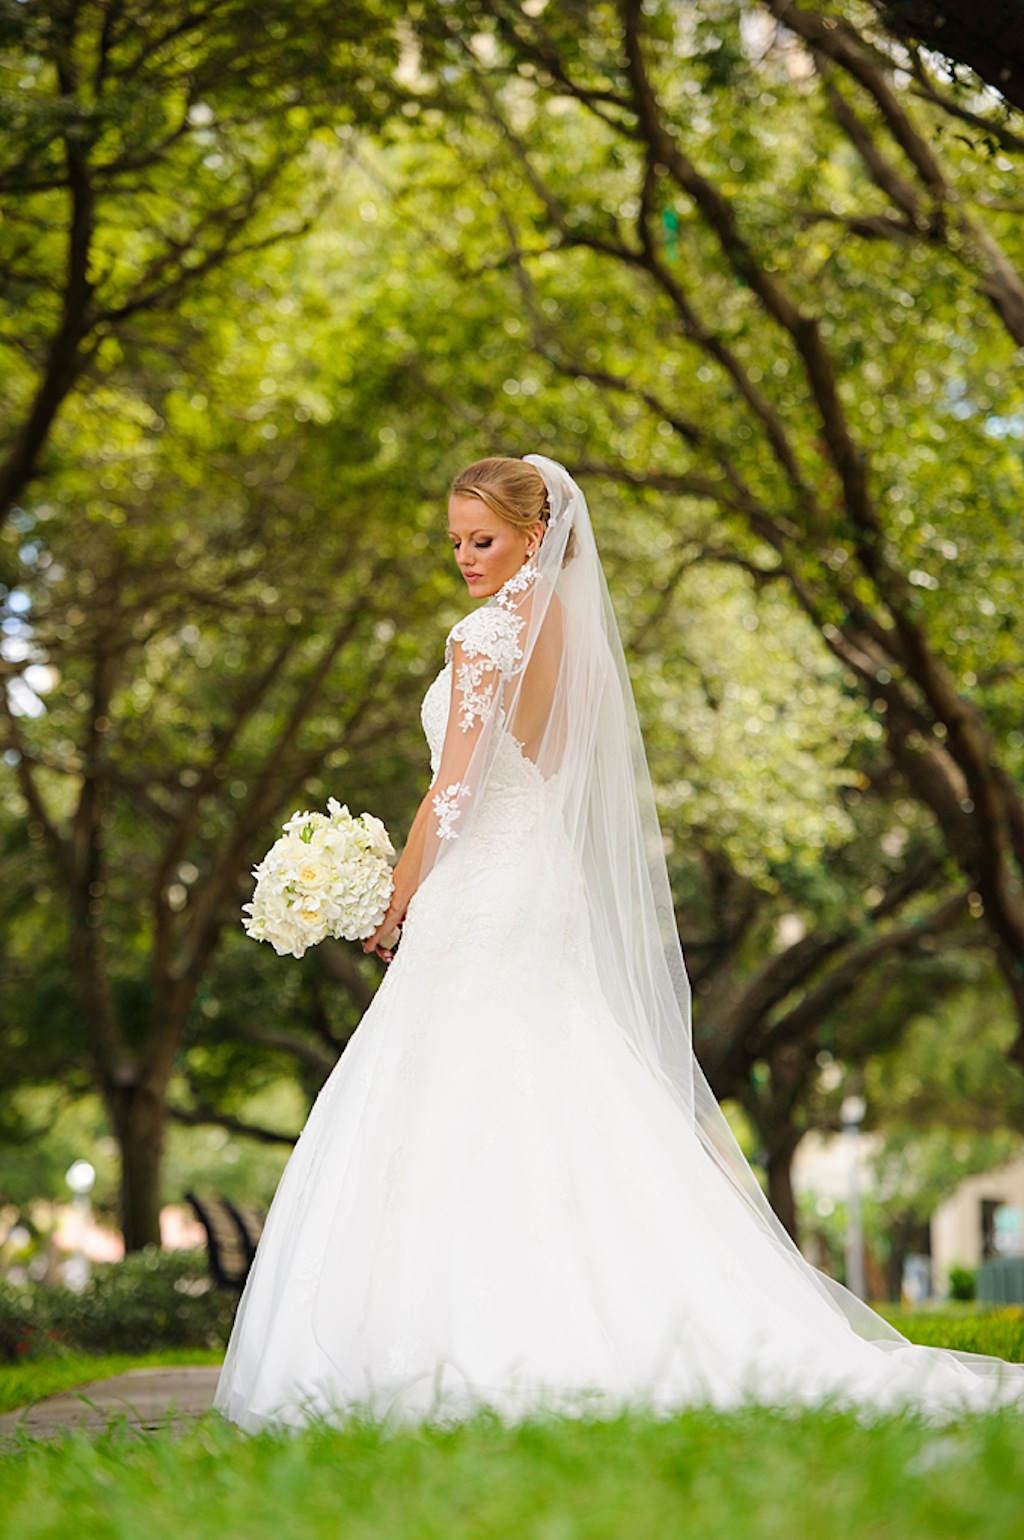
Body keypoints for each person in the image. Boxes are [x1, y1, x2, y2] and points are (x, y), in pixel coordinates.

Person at [215, 454, 1024, 1431]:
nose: (467, 559)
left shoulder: (482, 637)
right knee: (559, 1073)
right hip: (542, 878)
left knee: (464, 1082)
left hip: (485, 885)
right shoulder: (569, 630)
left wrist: (391, 897)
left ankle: (465, 1330)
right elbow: (543, 773)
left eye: (485, 540)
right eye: (456, 543)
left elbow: (455, 794)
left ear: (530, 533)